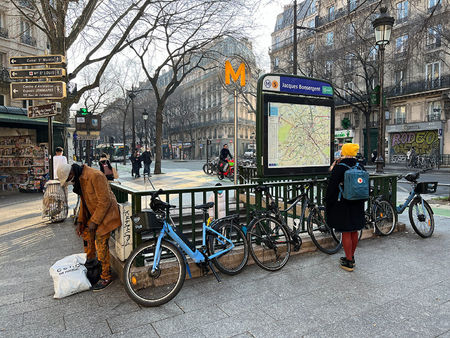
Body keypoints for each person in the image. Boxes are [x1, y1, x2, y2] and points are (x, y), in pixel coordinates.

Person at [57, 163, 121, 290]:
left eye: (68, 180)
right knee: (87, 239)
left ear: (71, 174)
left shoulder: (95, 176)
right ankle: (92, 266)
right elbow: (84, 203)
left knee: (101, 244)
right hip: (94, 215)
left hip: (106, 216)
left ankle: (106, 276)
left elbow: (105, 201)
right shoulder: (80, 179)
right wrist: (81, 222)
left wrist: (94, 222)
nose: (70, 182)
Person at [325, 143, 365, 272]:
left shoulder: (340, 167)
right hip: (358, 202)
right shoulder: (360, 166)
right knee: (354, 230)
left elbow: (332, 187)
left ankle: (348, 262)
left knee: (346, 231)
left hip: (344, 202)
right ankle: (351, 256)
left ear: (344, 152)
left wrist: (328, 201)